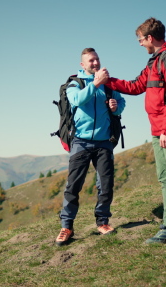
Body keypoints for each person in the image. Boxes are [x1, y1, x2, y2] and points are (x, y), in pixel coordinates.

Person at [95, 17, 166, 248]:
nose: (140, 43)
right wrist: (108, 81)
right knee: (165, 178)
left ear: (150, 38)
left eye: (140, 39)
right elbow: (135, 86)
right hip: (158, 130)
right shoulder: (155, 61)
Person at [55, 47, 126, 246]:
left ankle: (102, 222)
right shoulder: (74, 84)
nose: (95, 63)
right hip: (81, 141)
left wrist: (115, 107)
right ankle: (66, 226)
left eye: (97, 60)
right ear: (82, 65)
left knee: (105, 183)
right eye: (91, 61)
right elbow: (77, 99)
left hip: (104, 141)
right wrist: (96, 83)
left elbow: (121, 103)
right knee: (74, 184)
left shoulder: (108, 85)